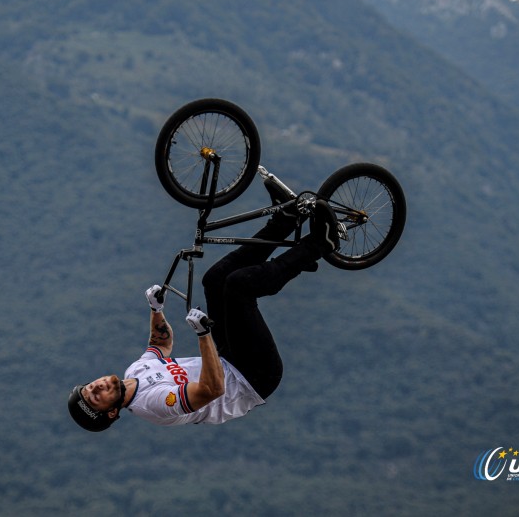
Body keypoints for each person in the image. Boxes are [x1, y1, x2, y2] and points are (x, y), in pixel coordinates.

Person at [67, 185, 342, 431]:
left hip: (229, 359)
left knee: (214, 280)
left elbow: (159, 346)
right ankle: (321, 243)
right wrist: (202, 335)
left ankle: (285, 219)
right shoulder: (154, 405)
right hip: (253, 378)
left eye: (91, 386)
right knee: (239, 287)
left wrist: (155, 309)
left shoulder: (134, 373)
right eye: (96, 397)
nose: (98, 386)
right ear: (112, 412)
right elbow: (213, 388)